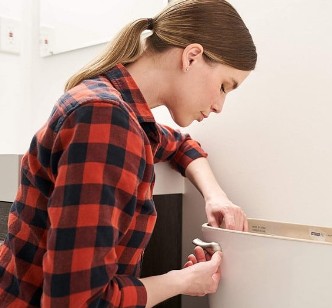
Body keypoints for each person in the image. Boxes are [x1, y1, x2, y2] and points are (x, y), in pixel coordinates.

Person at [0, 0, 257, 306]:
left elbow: (181, 145)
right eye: (225, 86)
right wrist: (182, 281)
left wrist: (216, 197)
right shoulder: (105, 118)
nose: (219, 105)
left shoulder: (118, 112)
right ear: (192, 57)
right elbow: (77, 302)